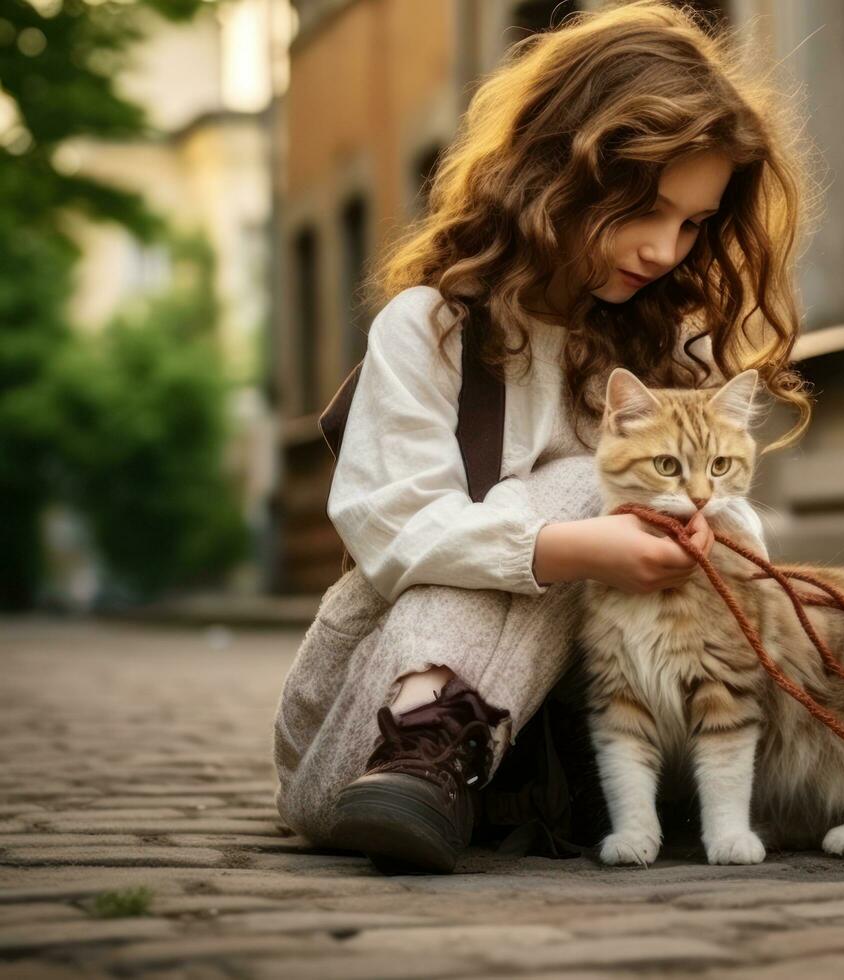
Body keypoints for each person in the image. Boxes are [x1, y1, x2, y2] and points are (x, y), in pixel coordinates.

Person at [271, 0, 815, 875]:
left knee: (628, 504)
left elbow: (743, 526)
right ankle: (427, 732)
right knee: (580, 488)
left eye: (693, 224)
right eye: (649, 210)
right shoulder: (431, 327)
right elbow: (390, 527)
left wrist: (714, 535)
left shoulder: (669, 347)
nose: (666, 250)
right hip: (362, 744)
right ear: (565, 171)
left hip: (574, 763)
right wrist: (574, 545)